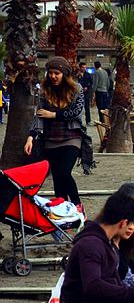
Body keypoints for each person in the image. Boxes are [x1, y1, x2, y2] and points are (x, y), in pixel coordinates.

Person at [24, 56, 85, 208]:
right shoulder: (45, 91)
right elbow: (39, 115)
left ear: (64, 74)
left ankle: (77, 205)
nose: (53, 76)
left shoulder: (76, 89)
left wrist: (53, 115)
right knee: (57, 176)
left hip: (72, 137)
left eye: (57, 73)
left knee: (65, 172)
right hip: (51, 139)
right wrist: (31, 137)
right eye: (50, 73)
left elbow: (77, 113)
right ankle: (62, 208)